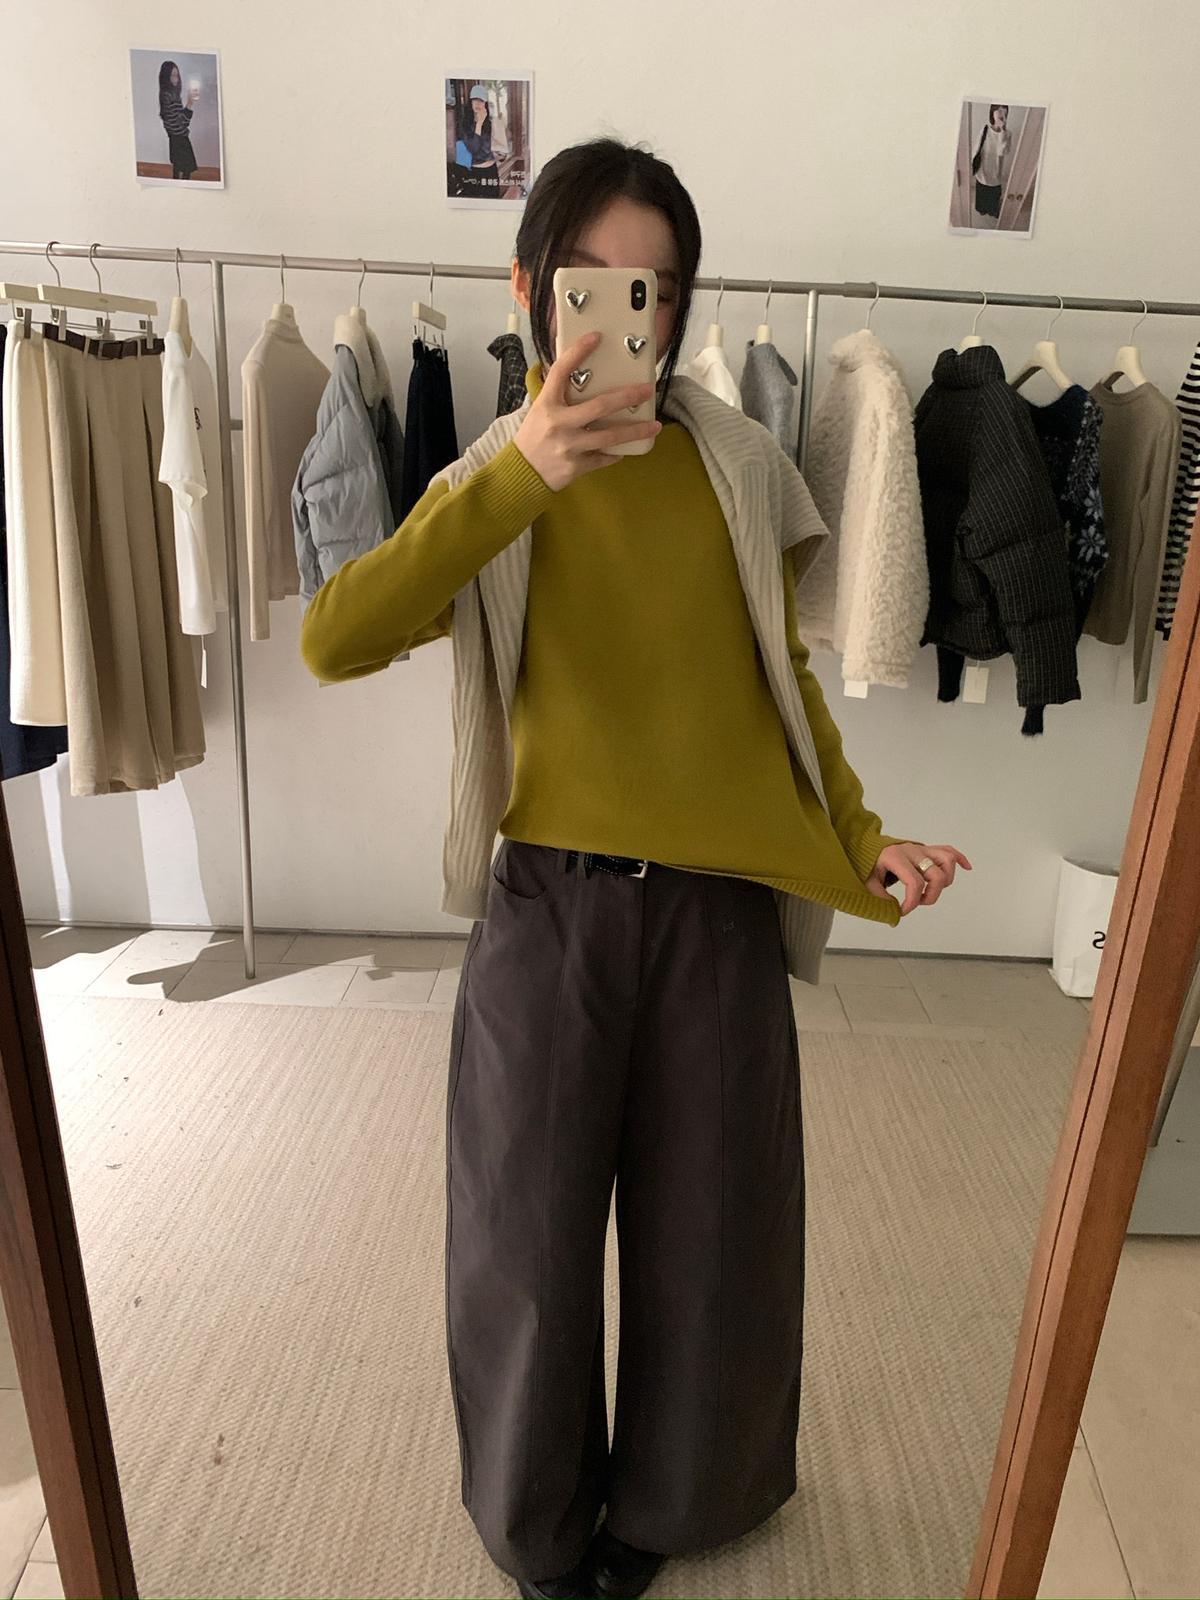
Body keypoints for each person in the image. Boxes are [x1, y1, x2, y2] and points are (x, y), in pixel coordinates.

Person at [299, 137, 971, 1600]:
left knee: (718, 1238)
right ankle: (537, 1528)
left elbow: (780, 696)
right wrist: (516, 479)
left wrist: (866, 843)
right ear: (532, 289)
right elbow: (335, 638)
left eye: (654, 287)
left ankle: (680, 1502)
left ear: (680, 303)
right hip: (548, 909)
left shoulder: (740, 465)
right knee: (523, 1242)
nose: (627, 314)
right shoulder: (491, 471)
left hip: (717, 920)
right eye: (593, 282)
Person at [157, 59, 199, 181]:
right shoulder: (168, 96)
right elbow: (181, 124)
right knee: (185, 169)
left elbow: (180, 122)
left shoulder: (170, 94)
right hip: (179, 138)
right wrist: (189, 104)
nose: (176, 79)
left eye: (177, 75)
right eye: (173, 75)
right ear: (166, 77)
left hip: (175, 138)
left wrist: (188, 105)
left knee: (178, 167)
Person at [972, 103, 1011, 223]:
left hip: (996, 169)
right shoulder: (985, 129)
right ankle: (982, 209)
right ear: (992, 113)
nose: (1001, 114)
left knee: (994, 192)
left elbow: (1002, 152)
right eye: (998, 111)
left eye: (1004, 111)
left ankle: (993, 211)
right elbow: (976, 148)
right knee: (982, 190)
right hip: (983, 167)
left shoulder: (1007, 133)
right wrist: (972, 165)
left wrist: (1002, 131)